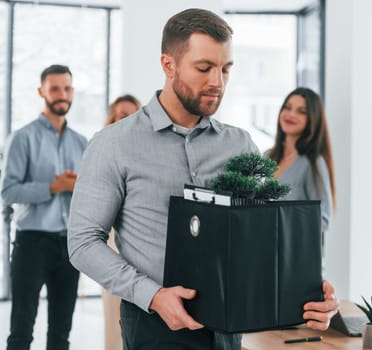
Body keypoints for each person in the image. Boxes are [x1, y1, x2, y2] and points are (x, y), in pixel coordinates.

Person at [68, 8, 339, 350]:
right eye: (204, 68)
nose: (218, 82)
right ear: (169, 65)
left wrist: (308, 290)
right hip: (153, 324)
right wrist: (152, 296)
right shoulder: (113, 144)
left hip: (229, 326)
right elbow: (82, 242)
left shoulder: (240, 144)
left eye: (226, 69)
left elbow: (264, 236)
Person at [1, 64, 87, 350]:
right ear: (42, 92)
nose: (62, 95)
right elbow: (8, 191)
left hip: (69, 246)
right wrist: (53, 187)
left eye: (67, 88)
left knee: (61, 333)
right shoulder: (22, 138)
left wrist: (79, 187)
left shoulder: (81, 143)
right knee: (22, 330)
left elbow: (89, 194)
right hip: (32, 245)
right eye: (55, 89)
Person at [101, 94, 141, 350]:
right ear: (112, 119)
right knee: (115, 322)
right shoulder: (105, 152)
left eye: (133, 114)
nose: (127, 120)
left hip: (144, 256)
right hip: (115, 249)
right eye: (121, 115)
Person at [267, 87, 335, 233]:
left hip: (294, 252)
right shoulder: (267, 157)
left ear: (312, 119)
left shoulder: (312, 162)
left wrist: (286, 222)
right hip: (264, 249)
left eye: (301, 111)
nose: (291, 114)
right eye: (287, 107)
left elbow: (324, 219)